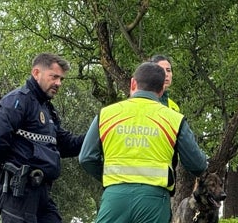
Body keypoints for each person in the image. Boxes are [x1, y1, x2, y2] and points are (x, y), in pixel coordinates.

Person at [79, 61, 208, 223]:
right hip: (154, 200)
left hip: (115, 198)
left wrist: (110, 179)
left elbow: (86, 158)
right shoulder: (174, 119)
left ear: (133, 83)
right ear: (162, 90)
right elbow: (197, 165)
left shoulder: (106, 114)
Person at [0, 53, 86, 223]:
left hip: (41, 193)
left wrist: (100, 132)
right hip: (16, 192)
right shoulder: (17, 101)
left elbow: (67, 145)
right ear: (36, 73)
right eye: (54, 77)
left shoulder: (47, 109)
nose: (58, 83)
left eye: (61, 79)